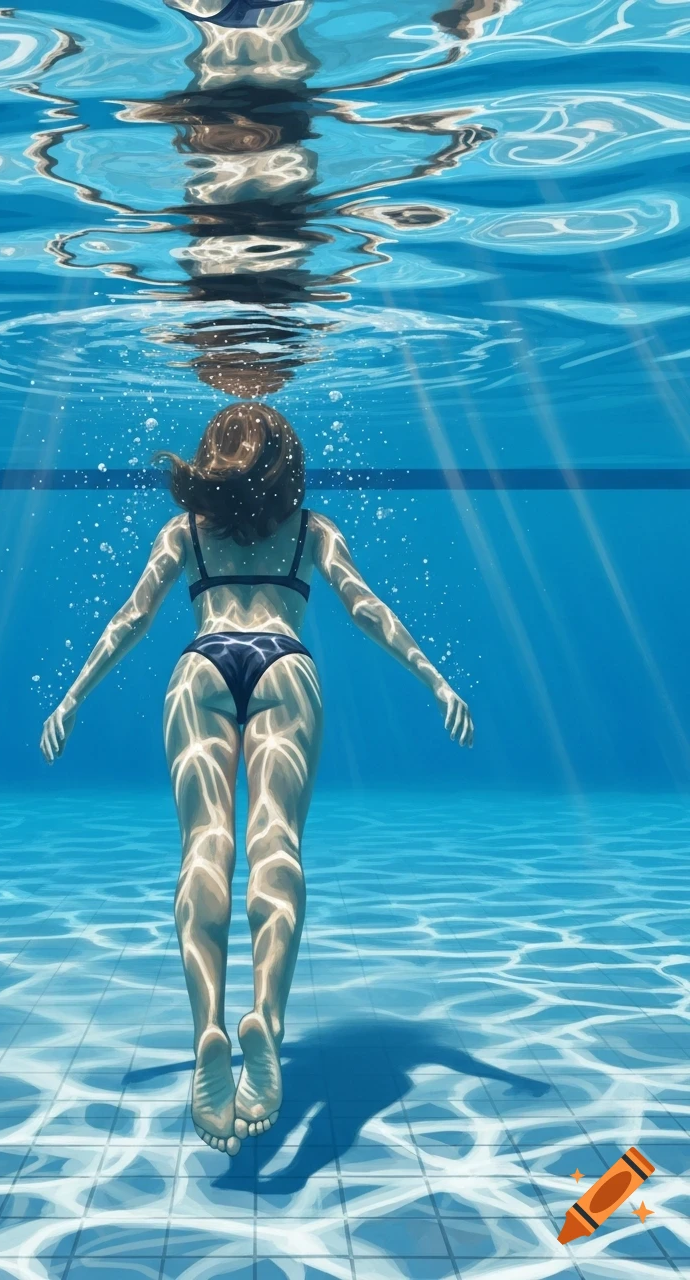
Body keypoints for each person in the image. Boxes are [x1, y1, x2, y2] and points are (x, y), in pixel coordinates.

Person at [40, 402, 473, 1156]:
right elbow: (367, 610)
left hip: (201, 665)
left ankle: (209, 1025)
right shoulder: (313, 530)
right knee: (277, 844)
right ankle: (264, 1023)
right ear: (289, 464)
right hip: (284, 663)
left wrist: (72, 697)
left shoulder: (185, 533)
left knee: (204, 847)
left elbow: (133, 618)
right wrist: (435, 679)